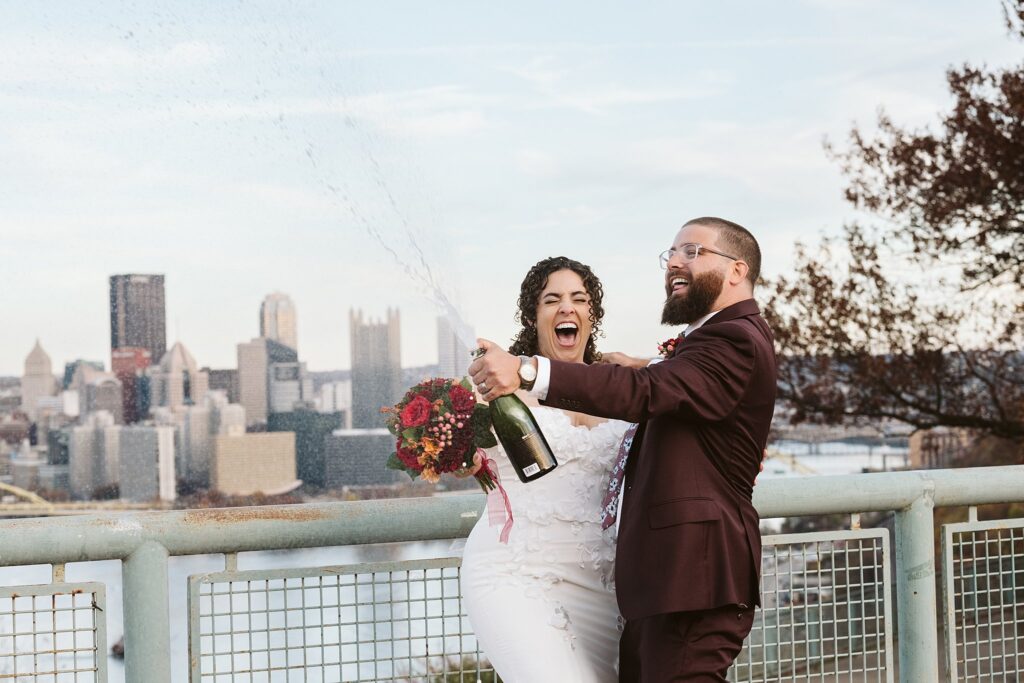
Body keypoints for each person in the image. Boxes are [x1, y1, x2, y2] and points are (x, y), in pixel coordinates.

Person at [470, 217, 777, 682]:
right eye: (671, 253)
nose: (675, 261)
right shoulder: (710, 343)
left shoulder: (734, 338)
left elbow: (649, 391)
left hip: (692, 578)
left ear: (736, 270)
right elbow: (671, 387)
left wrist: (529, 371)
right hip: (654, 584)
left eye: (693, 251)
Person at [461, 256, 630, 683]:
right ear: (534, 316)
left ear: (593, 314)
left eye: (579, 299)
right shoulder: (498, 387)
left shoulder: (620, 383)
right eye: (551, 300)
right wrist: (448, 446)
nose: (566, 308)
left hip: (605, 588)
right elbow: (456, 452)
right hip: (517, 576)